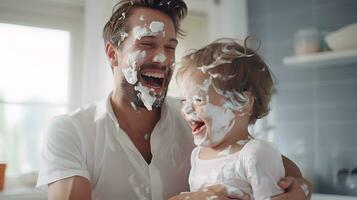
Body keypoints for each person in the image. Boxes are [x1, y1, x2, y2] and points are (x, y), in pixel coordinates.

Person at [36, 1, 312, 200]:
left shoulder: (195, 118)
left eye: (170, 47)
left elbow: (276, 163)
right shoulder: (71, 131)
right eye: (147, 44)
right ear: (112, 54)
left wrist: (300, 187)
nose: (163, 58)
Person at [174, 37, 303, 200]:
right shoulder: (197, 154)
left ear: (241, 102)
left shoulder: (256, 153)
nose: (185, 110)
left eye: (199, 99)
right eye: (184, 100)